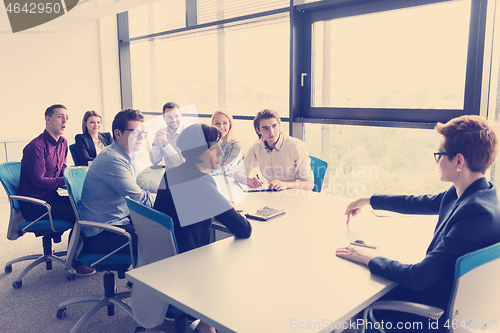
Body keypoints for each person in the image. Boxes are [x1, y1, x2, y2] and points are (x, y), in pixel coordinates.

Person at [336, 115, 500, 332]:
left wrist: (367, 258)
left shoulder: (475, 213)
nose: (436, 161)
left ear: (459, 161)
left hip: (433, 311)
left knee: (353, 301)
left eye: (439, 155)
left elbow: (419, 277)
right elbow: (419, 203)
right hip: (446, 294)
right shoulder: (479, 193)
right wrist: (367, 200)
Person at [154, 123, 252, 333]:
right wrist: (223, 210)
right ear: (198, 152)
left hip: (160, 256)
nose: (220, 151)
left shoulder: (173, 171)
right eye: (214, 147)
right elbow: (244, 229)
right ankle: (206, 326)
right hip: (186, 262)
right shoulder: (200, 181)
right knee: (238, 265)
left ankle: (206, 324)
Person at [17, 104, 95, 276]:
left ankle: (87, 252)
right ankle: (76, 261)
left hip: (50, 197)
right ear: (47, 119)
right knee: (80, 215)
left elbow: (62, 170)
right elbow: (38, 182)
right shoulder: (36, 146)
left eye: (67, 117)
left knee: (87, 206)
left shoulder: (63, 142)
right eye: (60, 116)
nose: (65, 120)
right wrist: (67, 179)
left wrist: (76, 176)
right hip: (36, 204)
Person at [79, 109, 155, 255]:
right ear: (118, 134)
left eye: (143, 133)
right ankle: (138, 278)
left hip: (120, 219)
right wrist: (170, 199)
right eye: (135, 132)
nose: (141, 137)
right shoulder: (113, 160)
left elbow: (141, 186)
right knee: (159, 239)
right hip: (103, 232)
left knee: (159, 226)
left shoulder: (128, 156)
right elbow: (139, 199)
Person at [233, 109, 314, 191]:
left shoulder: (297, 146)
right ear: (258, 130)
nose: (271, 132)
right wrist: (249, 181)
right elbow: (237, 172)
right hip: (271, 194)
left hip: (294, 194)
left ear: (279, 125)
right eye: (265, 128)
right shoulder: (257, 147)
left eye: (274, 126)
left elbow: (309, 184)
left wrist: (285, 185)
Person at [151, 102, 184, 168]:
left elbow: (180, 163)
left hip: (184, 175)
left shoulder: (186, 133)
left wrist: (165, 143)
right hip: (167, 174)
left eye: (176, 116)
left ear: (180, 115)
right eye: (169, 117)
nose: (174, 120)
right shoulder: (162, 133)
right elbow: (155, 162)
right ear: (163, 117)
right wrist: (155, 143)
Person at [210, 110, 243, 177]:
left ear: (230, 125)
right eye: (217, 123)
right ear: (213, 124)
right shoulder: (212, 144)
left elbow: (227, 169)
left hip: (230, 183)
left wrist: (205, 174)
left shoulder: (235, 145)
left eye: (225, 123)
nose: (221, 127)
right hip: (213, 180)